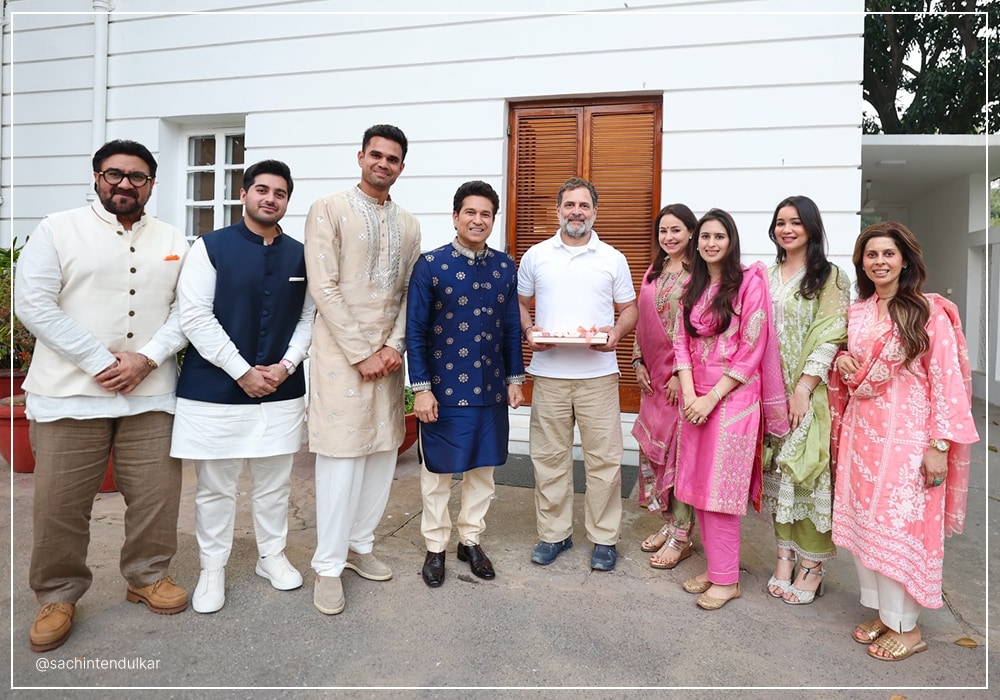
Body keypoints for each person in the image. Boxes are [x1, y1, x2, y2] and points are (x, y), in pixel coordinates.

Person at [16, 139, 190, 652]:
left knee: (157, 497)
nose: (125, 184)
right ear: (96, 177)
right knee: (59, 505)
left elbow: (187, 309)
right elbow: (34, 304)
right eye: (115, 174)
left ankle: (147, 575)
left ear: (152, 184)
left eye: (138, 177)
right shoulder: (57, 229)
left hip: (151, 392)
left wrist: (147, 358)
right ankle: (58, 593)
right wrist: (101, 362)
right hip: (70, 394)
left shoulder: (173, 237)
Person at [171, 160, 314, 614]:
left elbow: (310, 317)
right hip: (216, 387)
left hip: (281, 386)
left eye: (280, 193)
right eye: (262, 190)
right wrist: (242, 371)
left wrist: (286, 365)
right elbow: (194, 316)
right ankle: (212, 567)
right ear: (244, 194)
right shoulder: (209, 248)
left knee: (274, 482)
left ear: (287, 201)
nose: (270, 198)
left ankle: (271, 555)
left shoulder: (302, 254)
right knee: (216, 485)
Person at [830, 222, 978, 661]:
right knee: (867, 528)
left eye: (888, 254)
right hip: (861, 436)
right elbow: (847, 360)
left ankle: (908, 629)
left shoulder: (928, 312)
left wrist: (939, 446)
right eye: (871, 254)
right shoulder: (857, 311)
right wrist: (842, 360)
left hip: (909, 439)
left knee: (900, 526)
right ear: (862, 262)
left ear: (905, 259)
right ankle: (884, 615)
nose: (879, 261)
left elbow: (947, 381)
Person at [305, 124, 421, 615]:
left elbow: (408, 293)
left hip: (388, 360)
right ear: (360, 157)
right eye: (376, 155)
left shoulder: (409, 224)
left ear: (401, 166)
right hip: (340, 356)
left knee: (380, 453)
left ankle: (360, 546)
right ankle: (327, 567)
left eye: (393, 158)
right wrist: (362, 352)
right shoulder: (327, 210)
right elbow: (323, 286)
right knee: (340, 458)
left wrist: (394, 346)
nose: (383, 164)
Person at [406, 180, 525, 587]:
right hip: (443, 392)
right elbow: (416, 331)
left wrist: (514, 379)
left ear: (493, 220)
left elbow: (511, 328)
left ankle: (470, 540)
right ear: (455, 217)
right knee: (437, 476)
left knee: (483, 473)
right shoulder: (430, 265)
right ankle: (436, 547)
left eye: (486, 214)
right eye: (470, 212)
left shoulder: (505, 266)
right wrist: (421, 388)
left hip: (491, 389)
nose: (478, 220)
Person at [518, 176, 637, 572]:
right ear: (558, 210)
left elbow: (630, 309)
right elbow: (519, 304)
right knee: (549, 458)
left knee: (604, 461)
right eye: (569, 205)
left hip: (598, 375)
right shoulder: (536, 255)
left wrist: (616, 334)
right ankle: (554, 534)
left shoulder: (612, 257)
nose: (576, 212)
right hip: (548, 374)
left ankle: (604, 538)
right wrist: (529, 330)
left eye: (583, 206)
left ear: (594, 212)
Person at [673, 208, 788, 610]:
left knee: (721, 491)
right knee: (697, 487)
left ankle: (727, 580)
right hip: (696, 399)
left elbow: (750, 349)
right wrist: (690, 395)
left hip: (732, 400)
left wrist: (710, 398)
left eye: (718, 236)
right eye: (704, 236)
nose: (709, 243)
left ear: (731, 240)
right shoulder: (692, 286)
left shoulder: (747, 286)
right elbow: (680, 344)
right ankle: (716, 569)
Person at [761, 196, 849, 605]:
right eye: (781, 222)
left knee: (808, 474)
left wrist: (802, 387)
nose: (787, 229)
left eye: (796, 222)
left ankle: (812, 564)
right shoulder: (765, 274)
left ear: (811, 228)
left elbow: (833, 332)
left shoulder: (830, 276)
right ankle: (783, 558)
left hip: (808, 393)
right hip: (769, 392)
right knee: (777, 477)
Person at [631, 204, 697, 570]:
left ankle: (683, 536)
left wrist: (677, 374)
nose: (669, 237)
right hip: (652, 379)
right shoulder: (653, 272)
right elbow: (642, 321)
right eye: (663, 231)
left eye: (676, 230)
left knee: (678, 454)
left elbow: (698, 327)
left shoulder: (698, 274)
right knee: (653, 455)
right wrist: (638, 361)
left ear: (691, 232)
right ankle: (668, 523)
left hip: (681, 380)